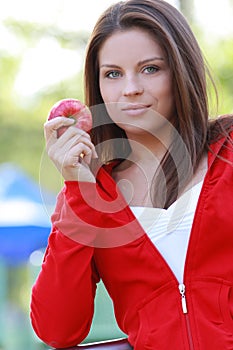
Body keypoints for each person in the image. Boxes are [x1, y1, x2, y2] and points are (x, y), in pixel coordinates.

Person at [30, 0, 233, 349]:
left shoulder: (228, 153)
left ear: (180, 71)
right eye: (113, 74)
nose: (131, 89)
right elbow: (57, 329)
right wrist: (78, 186)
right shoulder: (90, 194)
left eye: (150, 69)